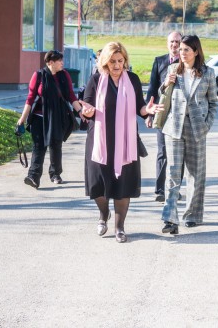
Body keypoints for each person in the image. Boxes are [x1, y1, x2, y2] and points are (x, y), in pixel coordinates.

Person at [79, 42, 162, 243]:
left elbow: (140, 107)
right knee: (98, 183)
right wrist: (86, 111)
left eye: (120, 60)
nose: (117, 65)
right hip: (100, 140)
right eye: (112, 61)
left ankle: (119, 227)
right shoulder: (96, 80)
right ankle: (103, 214)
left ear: (125, 60)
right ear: (105, 62)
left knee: (123, 184)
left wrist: (147, 111)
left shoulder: (132, 79)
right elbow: (86, 105)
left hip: (125, 141)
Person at [159, 35, 218, 235]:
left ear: (195, 51)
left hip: (197, 129)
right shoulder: (171, 70)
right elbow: (163, 96)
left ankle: (192, 215)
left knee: (195, 174)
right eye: (180, 49)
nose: (181, 53)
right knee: (173, 174)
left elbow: (213, 103)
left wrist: (206, 125)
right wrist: (166, 84)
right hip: (174, 128)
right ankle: (170, 218)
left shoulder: (208, 73)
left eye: (186, 50)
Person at [16, 50, 83, 189]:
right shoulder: (39, 76)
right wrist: (21, 120)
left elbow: (71, 96)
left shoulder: (64, 76)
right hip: (39, 118)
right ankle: (33, 177)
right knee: (38, 147)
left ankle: (55, 173)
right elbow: (30, 99)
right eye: (59, 61)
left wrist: (81, 112)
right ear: (50, 62)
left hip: (58, 117)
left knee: (55, 145)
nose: (62, 63)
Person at [146, 31, 182, 202]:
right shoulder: (159, 61)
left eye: (177, 41)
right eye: (172, 41)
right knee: (162, 152)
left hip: (180, 115)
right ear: (167, 43)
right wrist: (148, 113)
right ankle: (160, 189)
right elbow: (152, 87)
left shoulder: (186, 61)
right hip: (161, 112)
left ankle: (176, 188)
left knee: (178, 153)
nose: (174, 45)